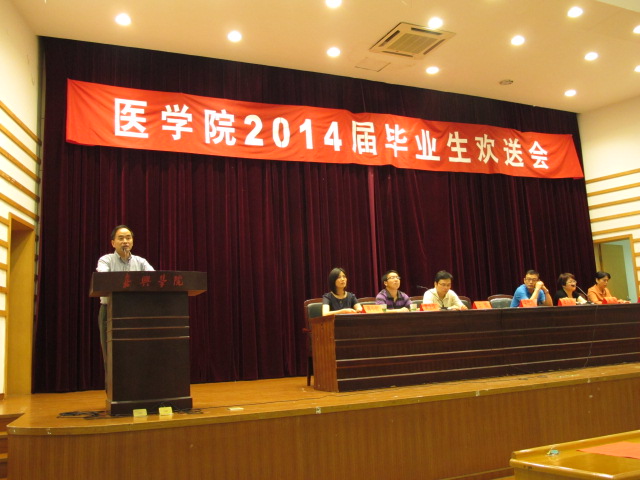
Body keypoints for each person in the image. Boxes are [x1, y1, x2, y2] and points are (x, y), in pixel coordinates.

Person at [96, 225, 154, 365]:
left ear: (132, 241)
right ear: (113, 243)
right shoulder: (106, 260)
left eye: (128, 238)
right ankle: (111, 380)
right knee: (110, 353)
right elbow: (104, 279)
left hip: (135, 311)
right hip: (110, 310)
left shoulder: (141, 262)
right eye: (121, 238)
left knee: (135, 352)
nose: (125, 241)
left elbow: (154, 279)